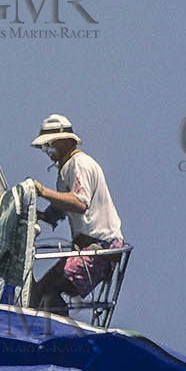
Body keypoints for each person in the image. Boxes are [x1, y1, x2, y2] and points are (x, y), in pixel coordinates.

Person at [27, 114, 125, 316]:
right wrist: (39, 216)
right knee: (39, 291)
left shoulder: (78, 164)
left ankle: (58, 332)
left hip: (99, 247)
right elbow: (61, 209)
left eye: (50, 145)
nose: (47, 151)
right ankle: (51, 326)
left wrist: (43, 191)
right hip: (88, 247)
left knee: (49, 291)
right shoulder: (66, 169)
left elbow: (79, 203)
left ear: (65, 141)